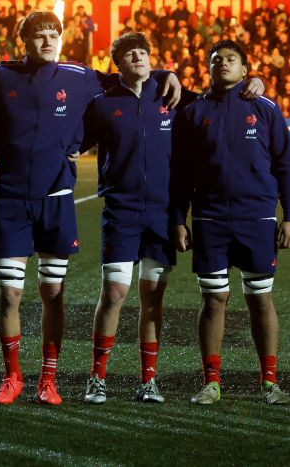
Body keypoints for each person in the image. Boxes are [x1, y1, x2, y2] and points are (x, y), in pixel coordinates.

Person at [0, 11, 182, 405]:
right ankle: (12, 377)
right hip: (11, 198)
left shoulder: (80, 76)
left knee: (53, 291)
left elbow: (131, 74)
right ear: (24, 42)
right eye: (40, 36)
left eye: (53, 35)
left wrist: (167, 73)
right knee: (9, 297)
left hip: (58, 199)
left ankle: (49, 378)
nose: (48, 41)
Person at [170, 39, 290, 406]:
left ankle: (269, 382)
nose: (223, 64)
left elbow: (286, 166)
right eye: (216, 60)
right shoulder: (193, 112)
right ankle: (211, 382)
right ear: (208, 68)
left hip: (257, 219)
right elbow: (179, 174)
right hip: (210, 219)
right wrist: (179, 219)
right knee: (214, 300)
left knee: (260, 299)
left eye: (231, 59)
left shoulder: (265, 109)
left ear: (245, 69)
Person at [78, 33, 195, 404]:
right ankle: (97, 378)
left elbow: (217, 101)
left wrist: (253, 82)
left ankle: (148, 381)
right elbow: (73, 143)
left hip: (162, 215)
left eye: (144, 52)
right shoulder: (101, 105)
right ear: (119, 64)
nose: (139, 57)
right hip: (121, 212)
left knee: (152, 299)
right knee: (114, 293)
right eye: (131, 54)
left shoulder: (171, 98)